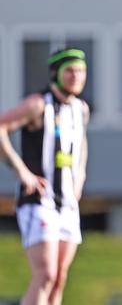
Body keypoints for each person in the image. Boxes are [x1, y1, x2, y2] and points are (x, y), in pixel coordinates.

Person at [0, 48, 89, 305]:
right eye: (70, 70)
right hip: (39, 200)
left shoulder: (80, 109)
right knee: (45, 274)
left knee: (59, 277)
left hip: (67, 202)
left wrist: (80, 175)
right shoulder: (38, 104)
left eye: (81, 71)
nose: (76, 76)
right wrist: (22, 172)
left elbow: (82, 144)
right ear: (56, 73)